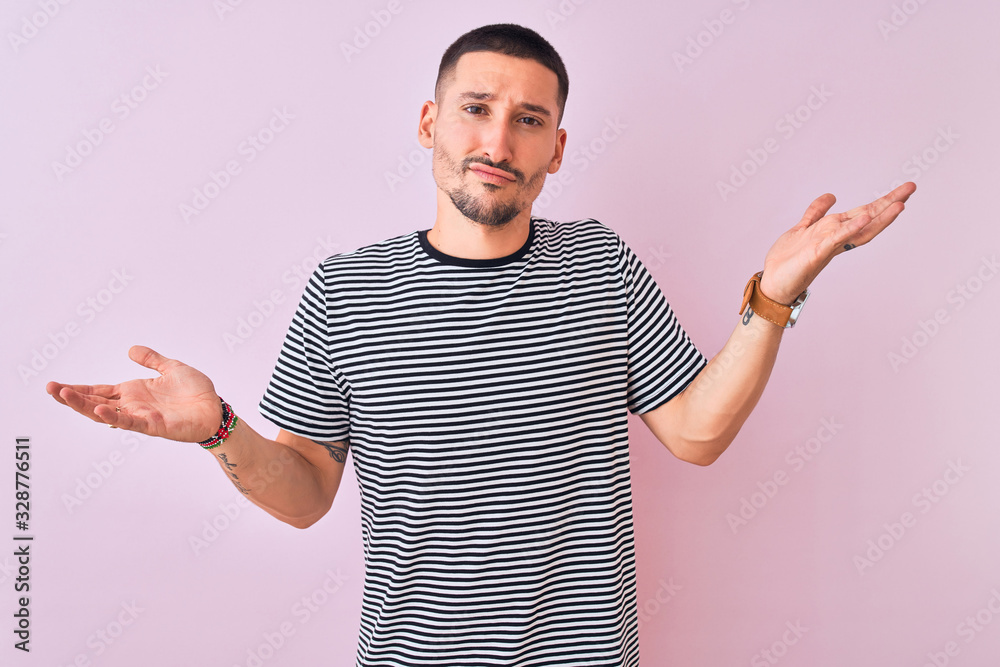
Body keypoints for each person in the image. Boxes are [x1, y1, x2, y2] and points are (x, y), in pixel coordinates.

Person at [47, 23, 915, 667]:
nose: (498, 142)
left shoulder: (599, 262)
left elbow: (694, 431)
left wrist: (774, 296)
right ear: (430, 122)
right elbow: (307, 492)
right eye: (476, 109)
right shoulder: (347, 288)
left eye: (529, 120)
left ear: (558, 148)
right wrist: (218, 428)